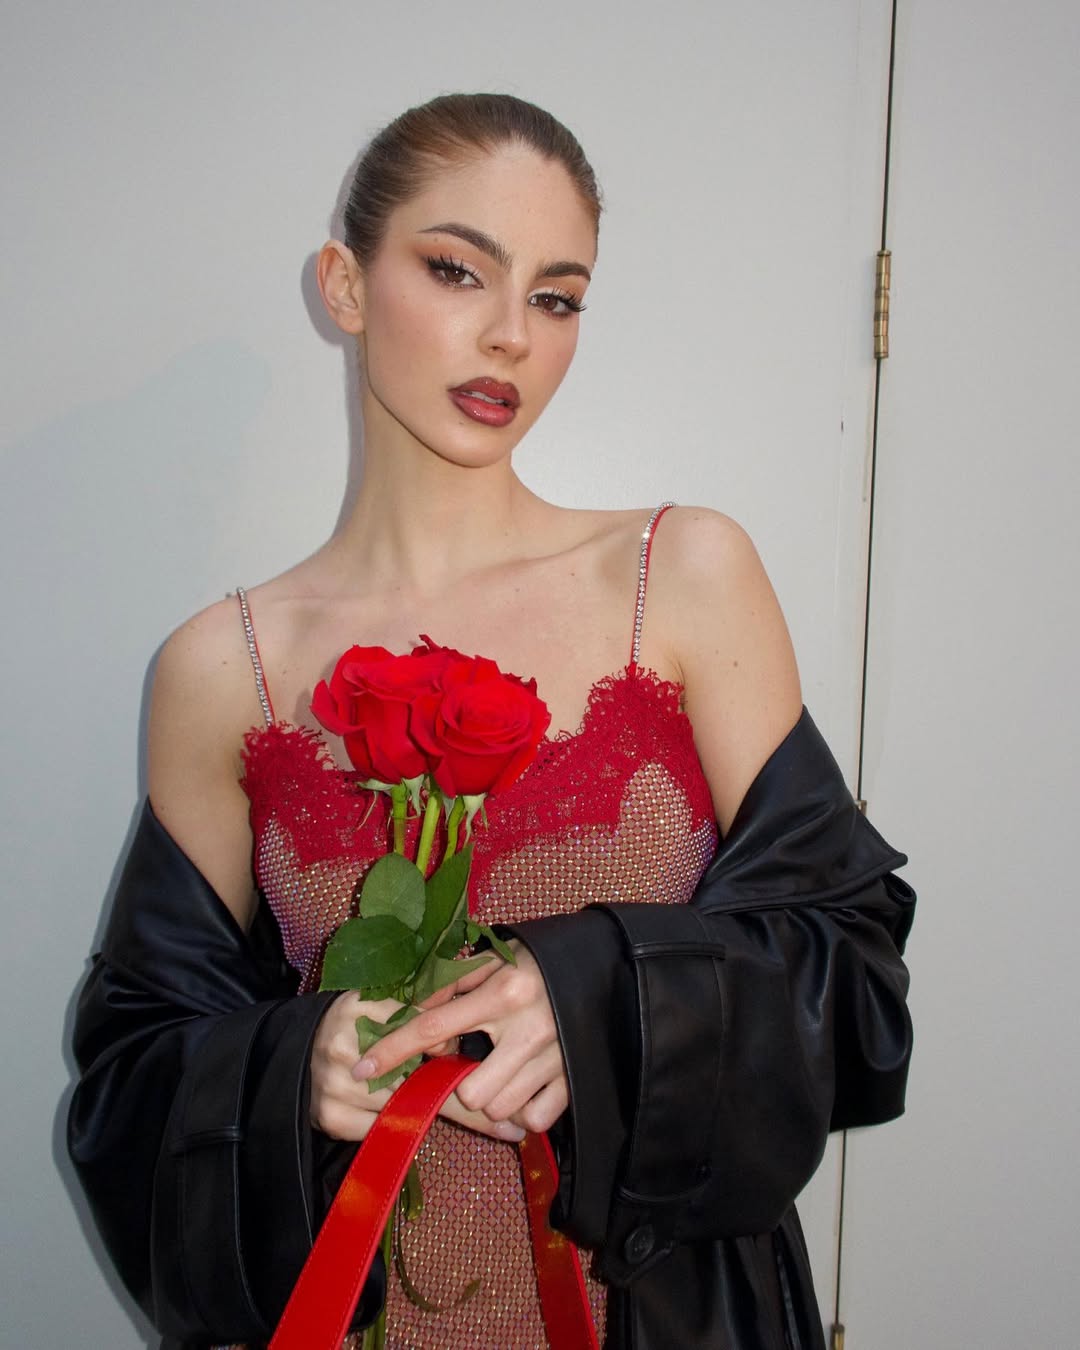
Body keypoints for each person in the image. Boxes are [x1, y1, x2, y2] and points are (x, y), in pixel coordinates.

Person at [67, 93, 915, 1350]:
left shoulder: (680, 576)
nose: (512, 334)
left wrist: (603, 1002)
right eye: (457, 270)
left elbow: (852, 976)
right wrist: (297, 1067)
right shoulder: (221, 668)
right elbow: (134, 1077)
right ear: (344, 286)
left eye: (557, 297)